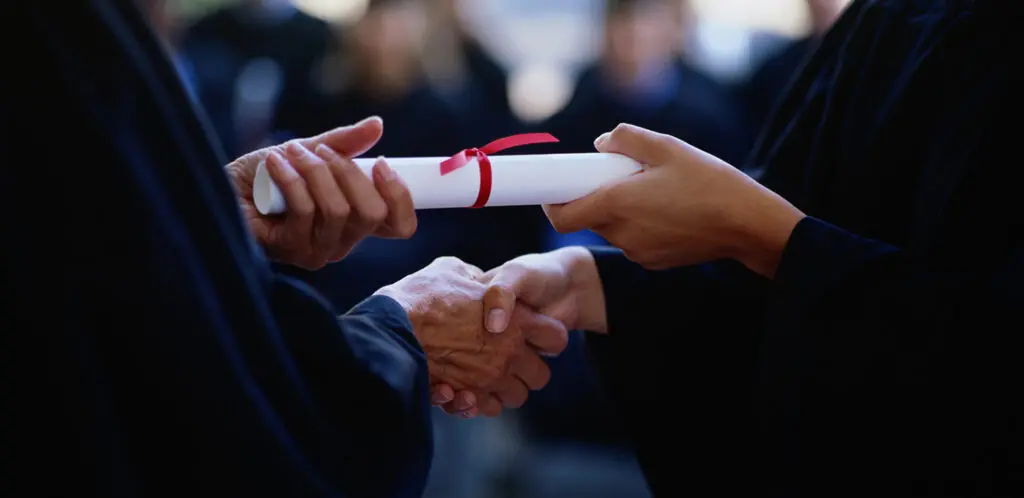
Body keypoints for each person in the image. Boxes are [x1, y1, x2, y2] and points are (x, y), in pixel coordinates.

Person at [436, 0, 1024, 495]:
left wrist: (758, 234)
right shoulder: (895, 18)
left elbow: (980, 355)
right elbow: (768, 272)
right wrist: (594, 283)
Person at [1, 2, 565, 496]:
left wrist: (220, 212)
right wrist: (400, 328)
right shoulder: (58, 37)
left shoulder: (452, 106)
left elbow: (90, 235)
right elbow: (217, 417)